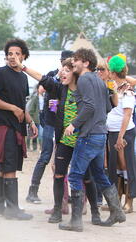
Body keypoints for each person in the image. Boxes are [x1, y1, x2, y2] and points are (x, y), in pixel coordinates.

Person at [19, 57, 101, 225]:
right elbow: (43, 78)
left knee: (86, 177)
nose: (62, 73)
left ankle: (95, 213)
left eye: (67, 70)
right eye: (62, 69)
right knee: (58, 174)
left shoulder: (84, 89)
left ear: (75, 73)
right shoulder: (59, 89)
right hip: (64, 141)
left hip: (81, 141)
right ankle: (57, 210)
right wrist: (24, 67)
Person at [61, 48, 126, 231]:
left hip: (88, 135)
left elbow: (89, 106)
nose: (73, 62)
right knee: (99, 174)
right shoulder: (98, 80)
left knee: (74, 174)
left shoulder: (84, 79)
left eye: (76, 60)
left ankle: (76, 221)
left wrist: (74, 124)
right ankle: (117, 211)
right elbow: (107, 106)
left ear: (86, 63)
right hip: (100, 134)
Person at [0, 38, 38, 221]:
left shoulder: (23, 77)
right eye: (9, 54)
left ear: (23, 56)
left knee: (5, 165)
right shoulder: (0, 73)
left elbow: (21, 104)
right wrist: (12, 109)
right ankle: (12, 209)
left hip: (18, 126)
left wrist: (30, 122)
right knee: (8, 166)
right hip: (3, 125)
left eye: (17, 54)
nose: (12, 57)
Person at [25, 50, 74, 204]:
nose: (66, 65)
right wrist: (58, 76)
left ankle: (67, 194)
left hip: (66, 125)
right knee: (45, 156)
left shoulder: (75, 78)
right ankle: (33, 190)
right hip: (51, 124)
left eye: (70, 63)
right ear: (60, 61)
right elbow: (42, 89)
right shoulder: (53, 75)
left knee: (66, 159)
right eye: (64, 61)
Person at [106, 54, 136, 214]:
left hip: (123, 132)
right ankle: (116, 198)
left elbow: (127, 115)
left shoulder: (128, 91)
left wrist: (120, 136)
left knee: (126, 165)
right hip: (112, 131)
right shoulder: (116, 88)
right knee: (115, 165)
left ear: (114, 72)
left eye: (110, 70)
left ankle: (129, 199)